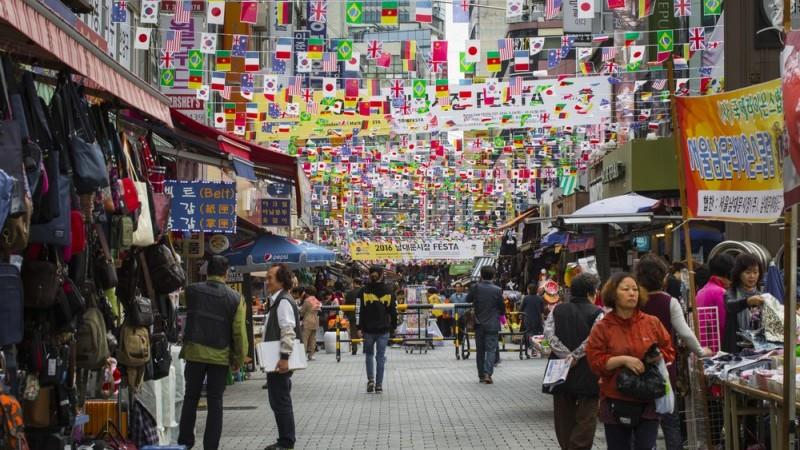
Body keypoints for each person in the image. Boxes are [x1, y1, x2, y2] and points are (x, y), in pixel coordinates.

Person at [585, 273, 675, 450]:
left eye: (635, 289)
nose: (632, 293)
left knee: (646, 446)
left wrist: (658, 356)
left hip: (648, 398)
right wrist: (622, 360)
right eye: (625, 289)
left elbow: (669, 350)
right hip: (615, 398)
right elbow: (595, 361)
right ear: (613, 294)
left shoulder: (652, 322)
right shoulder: (603, 327)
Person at [634, 254, 711, 450]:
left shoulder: (633, 301)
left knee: (641, 422)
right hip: (664, 369)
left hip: (636, 367)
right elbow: (685, 333)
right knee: (670, 422)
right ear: (663, 277)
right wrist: (701, 351)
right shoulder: (669, 301)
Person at [178, 256, 247, 450]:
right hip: (220, 355)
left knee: (190, 397)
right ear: (226, 274)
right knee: (215, 401)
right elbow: (239, 332)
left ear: (207, 272)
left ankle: (185, 443)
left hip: (194, 352)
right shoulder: (236, 298)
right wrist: (239, 358)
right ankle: (211, 446)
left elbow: (179, 299)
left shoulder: (192, 291)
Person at [543, 273, 603, 450]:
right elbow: (594, 338)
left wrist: (564, 354)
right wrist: (575, 356)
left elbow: (549, 333)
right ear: (591, 293)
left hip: (559, 369)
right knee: (587, 416)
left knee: (563, 415)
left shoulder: (557, 309)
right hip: (587, 369)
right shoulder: (597, 313)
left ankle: (567, 446)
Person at [263, 264, 301, 450]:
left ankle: (286, 441)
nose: (267, 281)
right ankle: (285, 439)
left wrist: (284, 357)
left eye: (270, 278)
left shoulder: (283, 301)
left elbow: (288, 330)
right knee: (278, 400)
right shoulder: (277, 300)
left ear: (281, 281)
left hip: (279, 360)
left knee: (280, 400)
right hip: (276, 360)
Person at [357, 265, 397, 393]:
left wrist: (358, 327)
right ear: (381, 275)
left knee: (369, 355)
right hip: (383, 329)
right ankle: (379, 385)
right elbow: (393, 311)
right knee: (380, 357)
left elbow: (358, 310)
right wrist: (394, 326)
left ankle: (371, 380)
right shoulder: (389, 291)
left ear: (369, 275)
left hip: (368, 329)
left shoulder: (362, 291)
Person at [466, 265, 505, 384]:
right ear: (493, 276)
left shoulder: (475, 287)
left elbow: (468, 299)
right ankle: (488, 373)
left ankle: (481, 375)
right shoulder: (497, 290)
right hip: (493, 324)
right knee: (491, 350)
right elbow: (502, 309)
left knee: (480, 351)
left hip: (479, 324)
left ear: (481, 275)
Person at [723, 253, 766, 353]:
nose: (752, 276)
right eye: (748, 272)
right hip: (735, 348)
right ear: (739, 273)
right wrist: (747, 302)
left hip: (757, 348)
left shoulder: (761, 295)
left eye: (755, 272)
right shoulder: (731, 292)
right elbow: (730, 306)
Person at [695, 254, 735, 352]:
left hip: (702, 346)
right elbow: (724, 324)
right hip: (716, 348)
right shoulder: (720, 292)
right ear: (728, 273)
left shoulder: (702, 291)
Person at [520, 282, 545, 357]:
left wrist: (520, 316)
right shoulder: (540, 299)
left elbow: (521, 309)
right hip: (537, 319)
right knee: (537, 334)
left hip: (528, 318)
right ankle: (538, 350)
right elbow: (542, 312)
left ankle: (532, 350)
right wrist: (542, 321)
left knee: (529, 334)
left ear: (529, 290)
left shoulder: (526, 298)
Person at [296, 286, 321, 361]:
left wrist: (298, 309)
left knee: (305, 339)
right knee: (313, 339)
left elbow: (302, 312)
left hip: (307, 321)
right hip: (316, 321)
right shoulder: (317, 301)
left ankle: (303, 355)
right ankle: (311, 355)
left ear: (307, 293)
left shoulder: (307, 301)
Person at [344, 279, 363, 355]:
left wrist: (347, 314)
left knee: (353, 333)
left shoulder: (349, 293)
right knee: (365, 331)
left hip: (353, 316)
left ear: (354, 283)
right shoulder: (364, 292)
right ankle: (366, 348)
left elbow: (346, 306)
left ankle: (354, 349)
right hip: (363, 315)